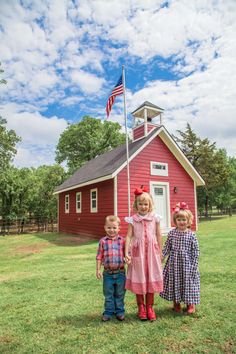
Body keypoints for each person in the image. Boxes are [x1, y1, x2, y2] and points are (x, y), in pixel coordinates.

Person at [124, 186, 163, 321]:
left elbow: (159, 234)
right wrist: (127, 252)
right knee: (139, 277)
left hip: (152, 253)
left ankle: (150, 307)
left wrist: (160, 251)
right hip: (138, 253)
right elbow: (128, 236)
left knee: (151, 277)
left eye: (146, 204)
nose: (143, 206)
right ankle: (141, 307)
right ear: (136, 205)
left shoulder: (155, 218)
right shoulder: (133, 219)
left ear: (150, 205)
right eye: (140, 204)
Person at [160, 202, 200, 314]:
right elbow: (167, 246)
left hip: (187, 264)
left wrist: (194, 265)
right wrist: (162, 256)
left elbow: (196, 251)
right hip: (174, 264)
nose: (181, 222)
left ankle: (190, 303)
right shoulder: (172, 233)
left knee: (188, 283)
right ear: (175, 221)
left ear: (188, 221)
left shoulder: (191, 235)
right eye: (179, 220)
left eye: (184, 220)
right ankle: (176, 303)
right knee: (175, 282)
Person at [96, 215, 126, 322]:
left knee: (120, 293)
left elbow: (127, 254)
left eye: (114, 228)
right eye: (109, 227)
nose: (111, 230)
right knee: (108, 294)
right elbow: (99, 257)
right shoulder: (103, 241)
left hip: (120, 273)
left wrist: (128, 258)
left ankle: (120, 312)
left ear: (119, 228)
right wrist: (98, 270)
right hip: (108, 273)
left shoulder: (122, 241)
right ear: (105, 228)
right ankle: (108, 312)